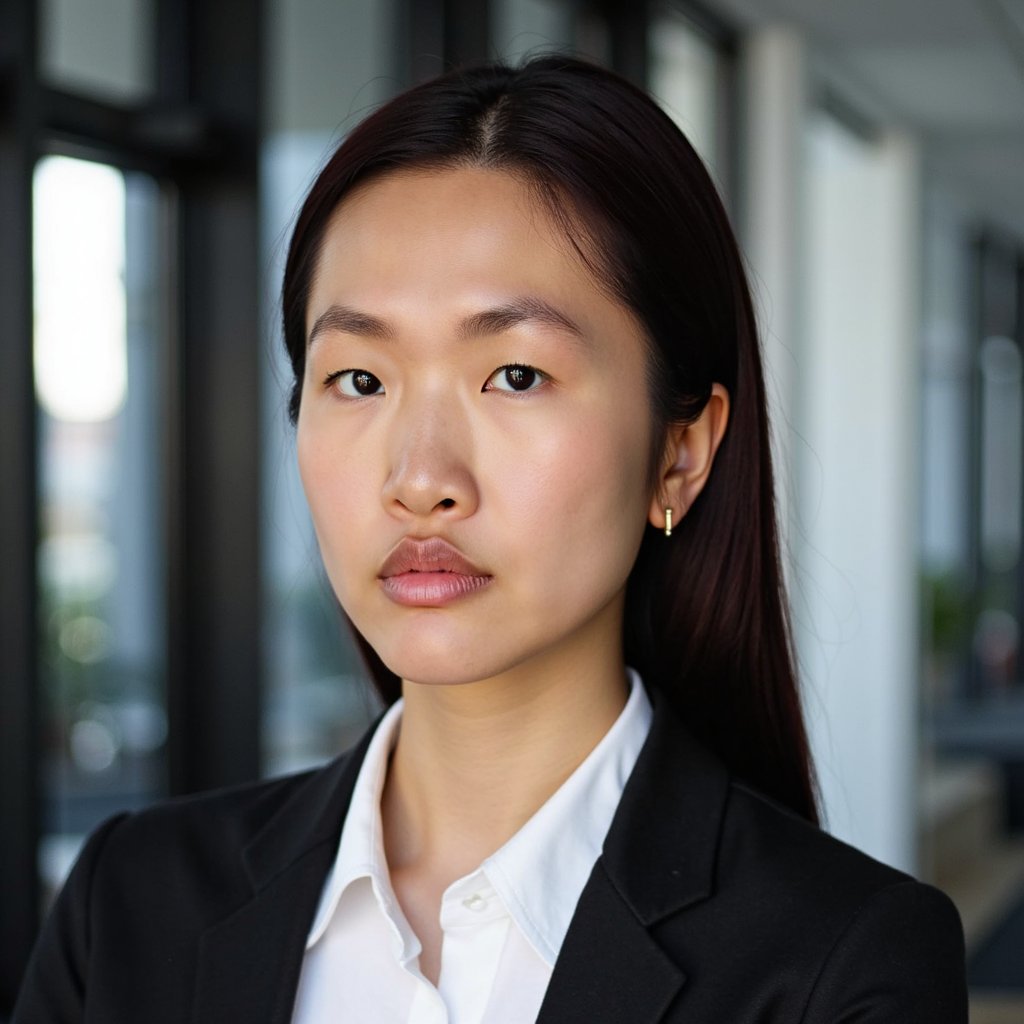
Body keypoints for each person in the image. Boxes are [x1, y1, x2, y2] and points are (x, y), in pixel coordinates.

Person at [15, 55, 967, 1023]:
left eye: (513, 375)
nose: (421, 479)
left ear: (679, 452)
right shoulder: (128, 906)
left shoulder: (837, 966)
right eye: (360, 380)